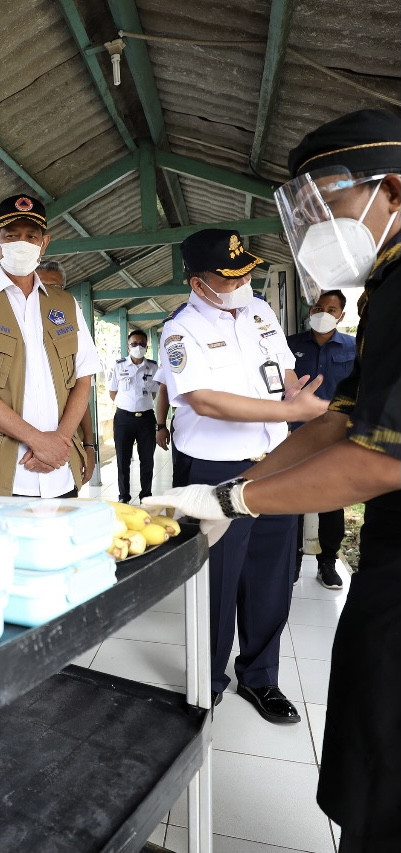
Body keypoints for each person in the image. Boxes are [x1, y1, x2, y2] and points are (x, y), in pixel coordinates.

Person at [146, 110, 401, 850]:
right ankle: (216, 680)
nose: (320, 226)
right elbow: (333, 423)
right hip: (247, 466)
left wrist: (236, 496)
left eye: (332, 202)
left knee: (384, 772)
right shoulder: (382, 287)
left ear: (391, 188)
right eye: (308, 210)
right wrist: (228, 490)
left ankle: (259, 671)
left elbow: (378, 457)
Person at [154, 228, 327, 724]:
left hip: (275, 460)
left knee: (271, 573)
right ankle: (206, 682)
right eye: (230, 276)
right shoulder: (178, 330)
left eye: (247, 270)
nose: (244, 280)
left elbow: (285, 374)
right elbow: (203, 399)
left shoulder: (260, 312)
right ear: (198, 281)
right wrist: (286, 411)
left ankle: (261, 678)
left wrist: (296, 402)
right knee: (218, 579)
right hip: (216, 467)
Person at [0, 195, 99, 498]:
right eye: (11, 236)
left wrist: (59, 441)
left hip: (59, 471)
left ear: (44, 243)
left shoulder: (66, 304)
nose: (21, 243)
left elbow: (84, 378)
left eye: (31, 236)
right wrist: (38, 441)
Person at [286, 290, 355, 588]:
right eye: (318, 306)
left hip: (336, 435)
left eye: (331, 308)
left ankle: (327, 561)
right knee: (292, 498)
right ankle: (291, 562)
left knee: (331, 499)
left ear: (341, 315)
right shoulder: (290, 345)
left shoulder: (353, 347)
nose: (323, 311)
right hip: (295, 434)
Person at [37, 259, 98, 485]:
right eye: (42, 286)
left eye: (56, 288)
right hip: (18, 451)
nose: (49, 294)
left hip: (63, 448)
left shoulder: (71, 330)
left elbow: (81, 391)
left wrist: (89, 446)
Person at [108, 330, 158, 502]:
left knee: (147, 460)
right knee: (123, 460)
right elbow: (113, 392)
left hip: (146, 419)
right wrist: (127, 406)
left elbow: (154, 393)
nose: (138, 347)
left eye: (142, 344)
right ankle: (124, 496)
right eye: (134, 344)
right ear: (128, 346)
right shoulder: (118, 366)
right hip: (123, 419)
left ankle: (146, 496)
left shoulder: (153, 367)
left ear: (147, 346)